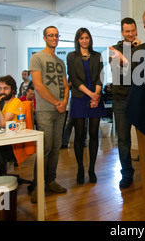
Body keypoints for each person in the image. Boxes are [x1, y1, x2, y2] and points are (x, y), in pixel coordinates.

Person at [29, 26, 69, 202]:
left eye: (56, 35)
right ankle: (37, 186)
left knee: (55, 148)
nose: (54, 38)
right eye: (50, 35)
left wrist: (64, 102)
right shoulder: (36, 57)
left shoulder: (60, 62)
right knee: (44, 148)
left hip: (60, 110)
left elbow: (66, 84)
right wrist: (56, 103)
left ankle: (51, 181)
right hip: (46, 110)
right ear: (44, 38)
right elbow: (38, 86)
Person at [67, 27, 106, 184]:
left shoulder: (97, 56)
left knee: (94, 134)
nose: (84, 40)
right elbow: (74, 79)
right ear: (78, 40)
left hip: (95, 95)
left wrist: (96, 95)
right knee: (79, 135)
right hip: (79, 97)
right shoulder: (72, 56)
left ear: (90, 39)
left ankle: (91, 170)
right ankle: (80, 169)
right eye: (81, 38)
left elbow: (100, 77)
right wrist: (91, 95)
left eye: (87, 37)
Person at [109, 17, 139, 188]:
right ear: (122, 32)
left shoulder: (142, 48)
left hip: (140, 99)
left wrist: (126, 61)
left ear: (136, 30)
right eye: (127, 31)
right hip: (120, 99)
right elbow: (118, 71)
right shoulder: (114, 50)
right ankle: (126, 174)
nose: (130, 34)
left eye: (132, 30)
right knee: (123, 140)